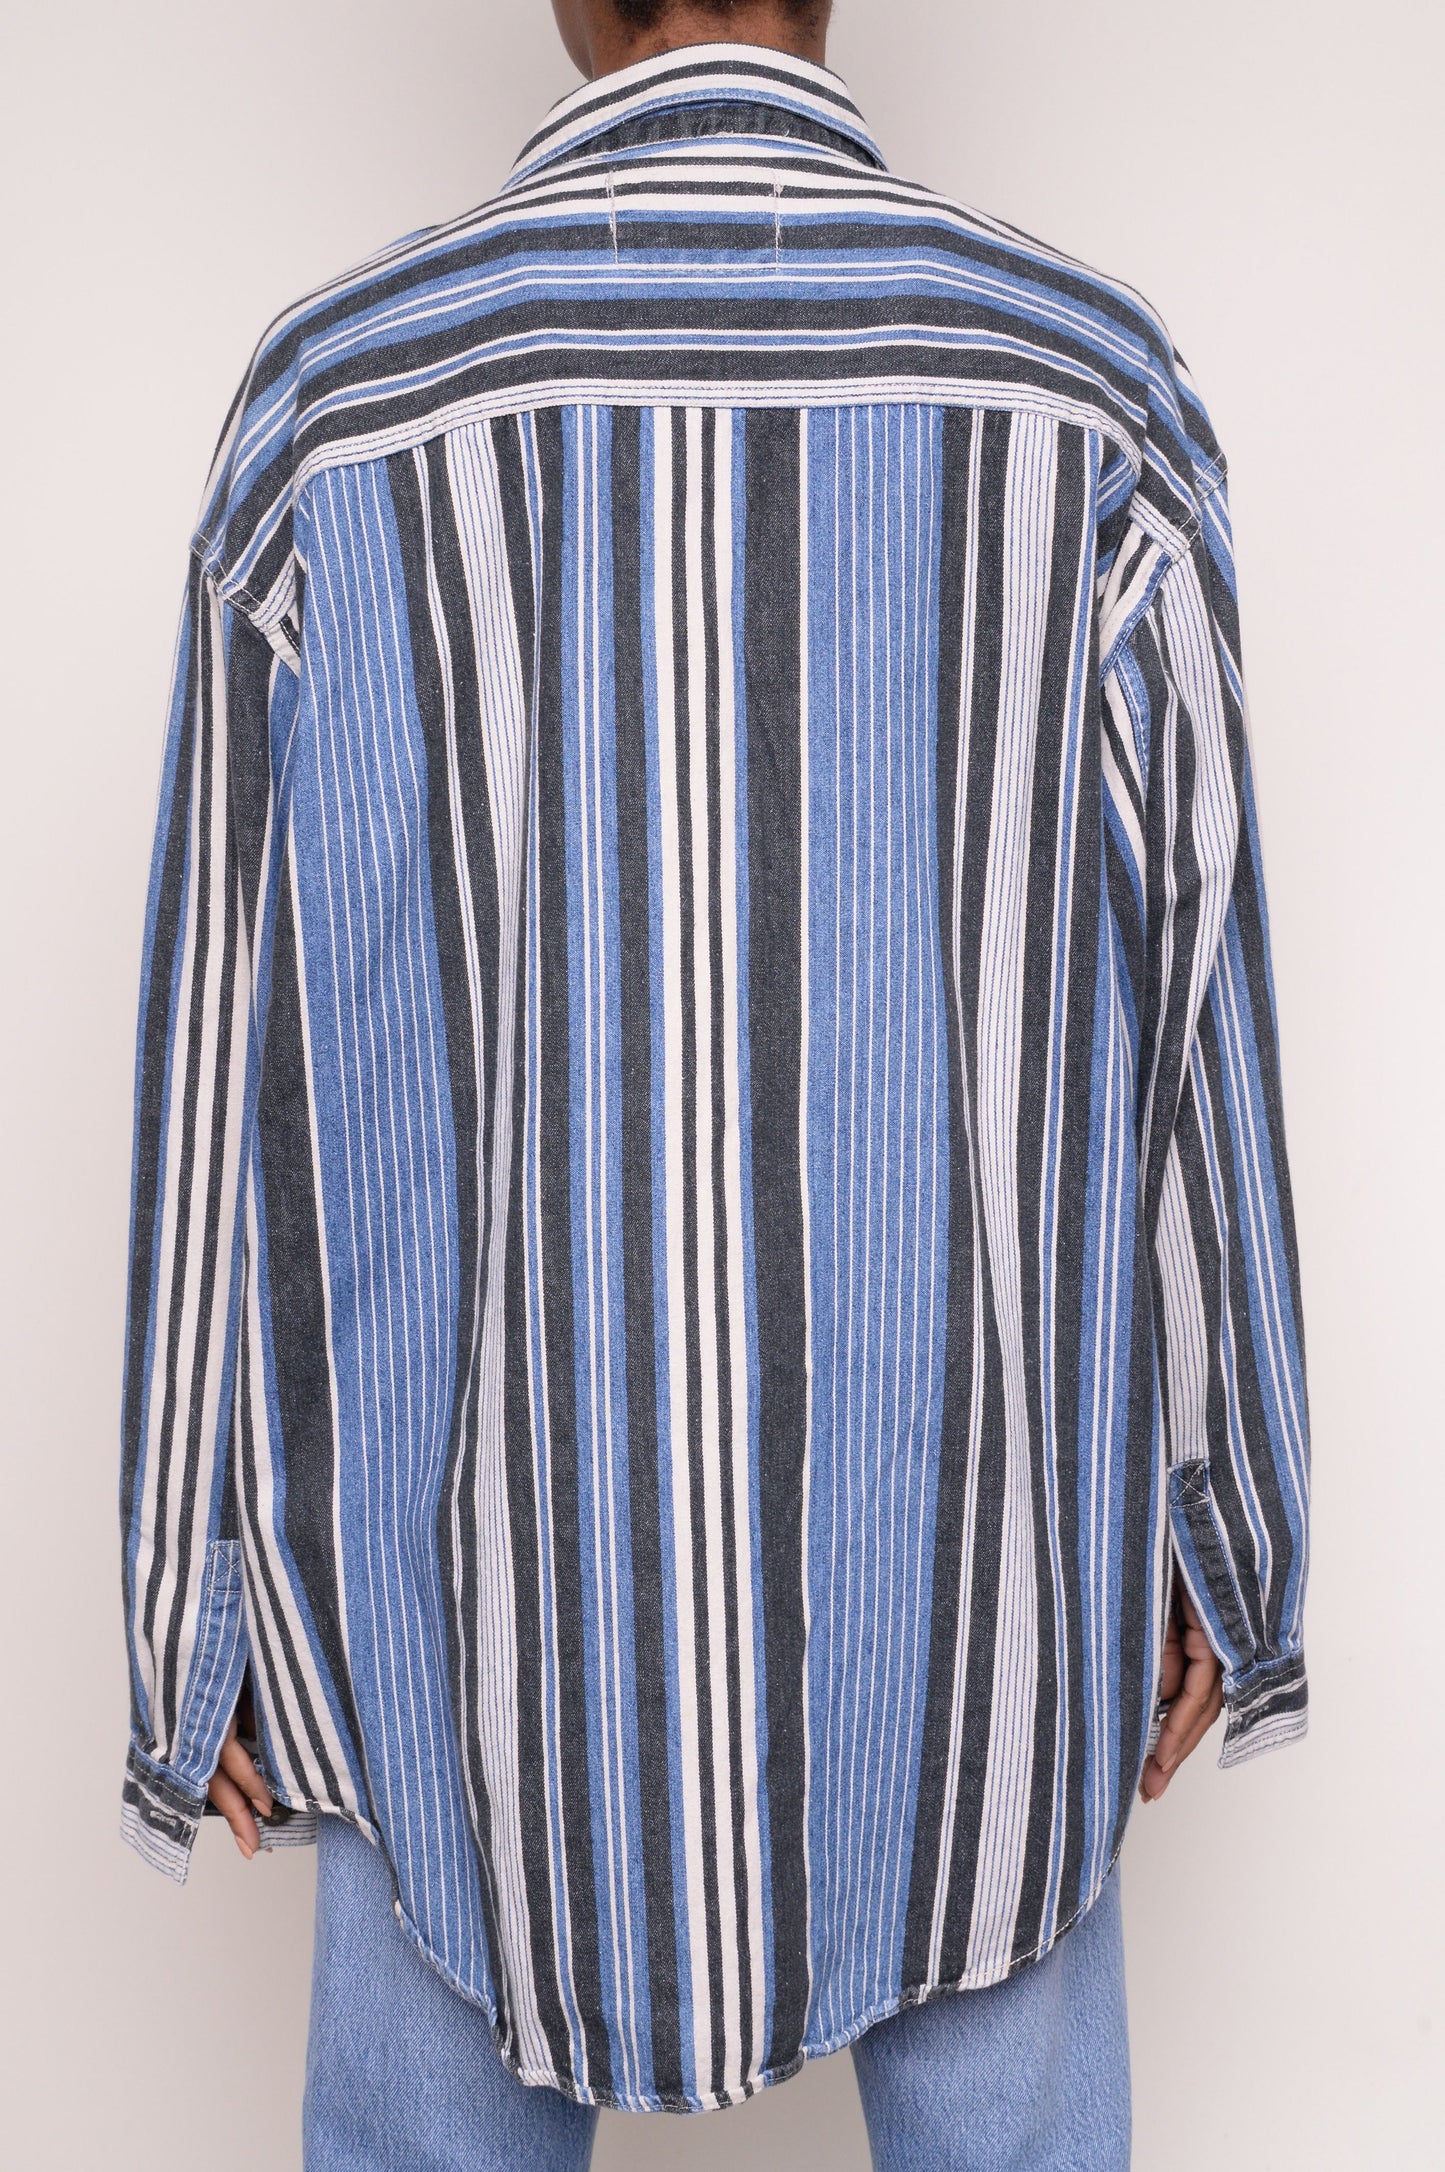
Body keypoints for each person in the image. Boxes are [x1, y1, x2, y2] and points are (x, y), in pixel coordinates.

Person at [117, 0, 1311, 2163]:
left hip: (467, 1599)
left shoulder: (338, 404)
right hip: (975, 1590)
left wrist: (194, 1605)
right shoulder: (1083, 389)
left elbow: (230, 1040)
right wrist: (1233, 1514)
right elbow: (1198, 981)